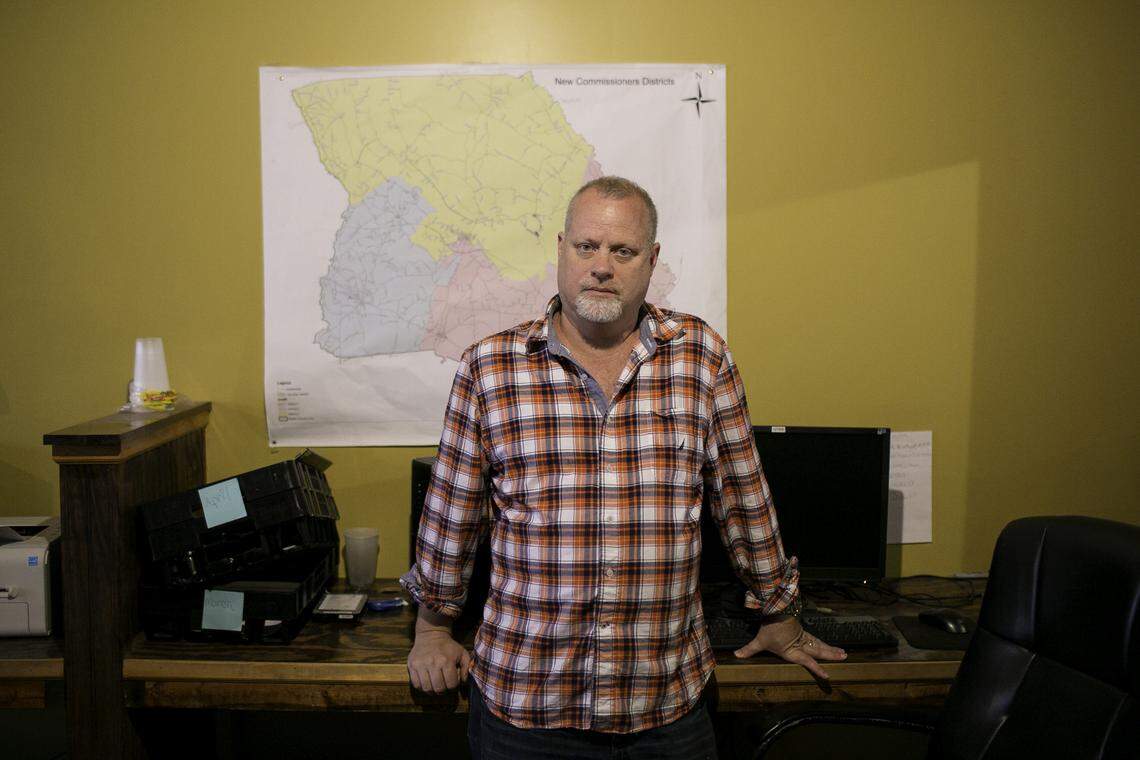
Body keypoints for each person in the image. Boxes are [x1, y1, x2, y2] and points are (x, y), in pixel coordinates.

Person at [401, 176, 845, 758]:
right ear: (561, 249)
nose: (601, 267)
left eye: (623, 251)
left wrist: (779, 612)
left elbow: (743, 500)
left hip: (666, 706)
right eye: (586, 247)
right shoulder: (490, 367)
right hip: (527, 706)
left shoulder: (701, 356)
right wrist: (432, 630)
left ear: (651, 260)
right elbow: (451, 517)